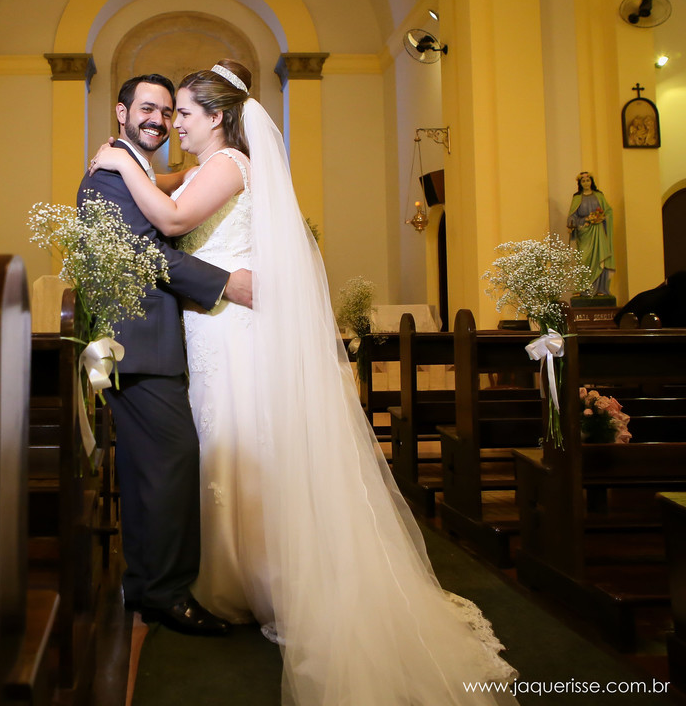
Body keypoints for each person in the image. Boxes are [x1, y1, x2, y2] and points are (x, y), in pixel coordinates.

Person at [89, 60, 518, 704]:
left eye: (182, 113)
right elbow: (172, 190)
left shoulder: (228, 164)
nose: (172, 123)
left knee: (236, 441)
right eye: (163, 112)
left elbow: (173, 224)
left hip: (229, 322)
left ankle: (253, 575)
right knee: (217, 447)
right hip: (208, 326)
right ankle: (219, 571)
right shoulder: (211, 165)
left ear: (216, 117)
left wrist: (124, 165)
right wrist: (135, 165)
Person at [78, 73, 253, 637]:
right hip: (138, 346)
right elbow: (143, 253)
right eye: (148, 109)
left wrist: (182, 174)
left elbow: (171, 194)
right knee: (171, 467)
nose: (159, 120)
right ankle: (167, 595)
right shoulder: (110, 172)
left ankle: (146, 588)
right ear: (121, 112)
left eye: (168, 110)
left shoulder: (133, 166)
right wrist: (228, 283)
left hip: (142, 344)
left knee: (151, 469)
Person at [566, 172, 614, 297]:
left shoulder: (599, 196)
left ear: (591, 182)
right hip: (585, 232)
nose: (586, 183)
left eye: (588, 180)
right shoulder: (577, 198)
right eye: (583, 181)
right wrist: (581, 221)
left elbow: (608, 211)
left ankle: (600, 289)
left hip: (598, 232)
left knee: (599, 257)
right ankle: (583, 288)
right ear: (580, 183)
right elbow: (572, 216)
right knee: (583, 260)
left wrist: (601, 217)